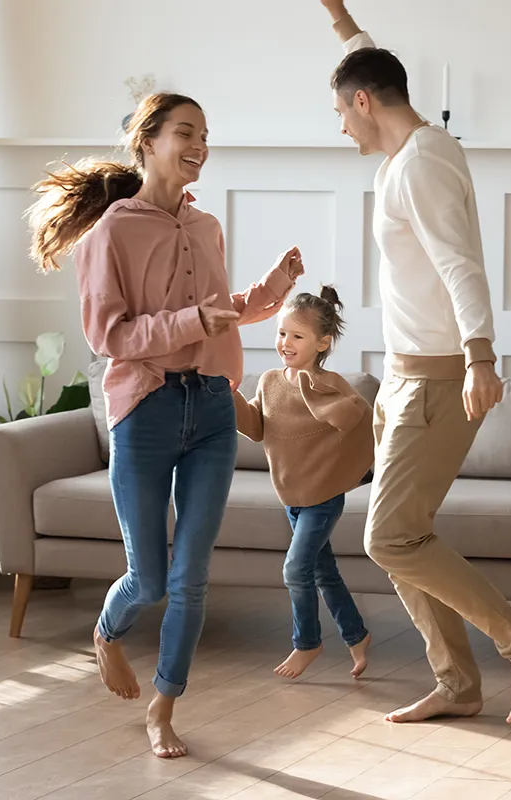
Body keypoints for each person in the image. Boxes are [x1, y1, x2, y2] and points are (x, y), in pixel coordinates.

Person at [27, 92, 304, 758]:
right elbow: (108, 336)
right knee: (147, 579)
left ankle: (163, 707)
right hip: (144, 413)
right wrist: (190, 323)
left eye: (206, 133)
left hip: (209, 406)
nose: (199, 144)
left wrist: (266, 293)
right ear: (145, 140)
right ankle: (106, 632)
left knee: (190, 578)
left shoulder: (205, 228)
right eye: (186, 132)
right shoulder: (112, 232)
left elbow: (214, 311)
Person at [318, 1, 511, 727]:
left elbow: (461, 268)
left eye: (340, 111)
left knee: (387, 535)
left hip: (435, 379)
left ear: (363, 103)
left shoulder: (420, 164)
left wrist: (479, 358)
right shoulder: (416, 146)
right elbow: (369, 60)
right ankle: (456, 684)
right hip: (401, 378)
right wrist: (340, 18)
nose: (339, 126)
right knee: (402, 541)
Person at [234, 286, 374, 680]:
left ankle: (306, 642)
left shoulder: (330, 383)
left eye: (297, 336)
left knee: (295, 569)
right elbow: (257, 427)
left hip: (323, 497)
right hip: (290, 495)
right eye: (281, 333)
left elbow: (351, 417)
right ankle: (357, 636)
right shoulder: (269, 381)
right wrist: (229, 399)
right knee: (322, 571)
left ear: (322, 342)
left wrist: (311, 390)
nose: (285, 343)